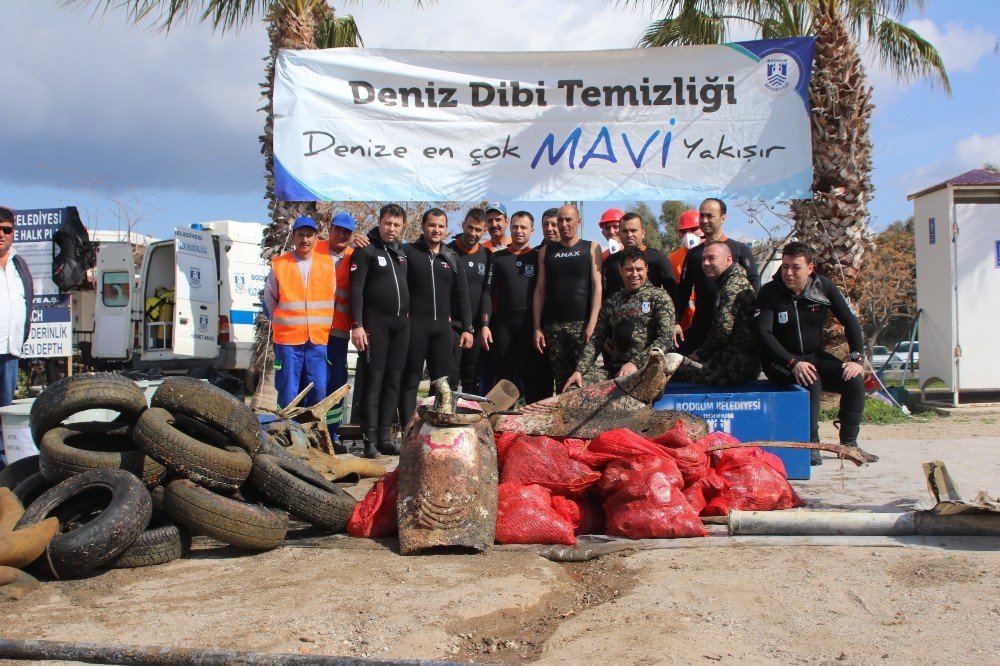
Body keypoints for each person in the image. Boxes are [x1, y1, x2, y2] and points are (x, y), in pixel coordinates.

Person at [755, 241, 866, 464]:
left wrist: (856, 358)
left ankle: (849, 445)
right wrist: (792, 362)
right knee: (810, 380)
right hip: (780, 361)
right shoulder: (770, 292)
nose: (788, 273)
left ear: (810, 268)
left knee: (854, 381)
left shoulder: (823, 287)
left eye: (795, 267)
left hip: (814, 356)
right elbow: (763, 333)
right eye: (785, 266)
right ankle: (810, 445)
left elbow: (850, 321)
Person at [399, 208, 474, 427]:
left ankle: (439, 429)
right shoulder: (408, 252)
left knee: (444, 384)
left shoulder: (451, 256)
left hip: (442, 330)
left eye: (441, 226)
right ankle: (407, 430)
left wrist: (468, 328)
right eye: (432, 225)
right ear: (423, 226)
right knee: (410, 381)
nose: (436, 230)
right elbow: (383, 243)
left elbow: (462, 295)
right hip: (415, 328)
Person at [564, 248, 675, 389]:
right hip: (616, 369)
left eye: (639, 269)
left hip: (647, 369)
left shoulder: (659, 297)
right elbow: (596, 340)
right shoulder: (612, 302)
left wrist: (635, 363)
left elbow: (665, 338)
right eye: (629, 269)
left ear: (647, 269)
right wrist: (579, 370)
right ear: (620, 270)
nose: (634, 274)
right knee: (574, 388)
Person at [350, 204, 410, 458]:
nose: (391, 229)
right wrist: (357, 325)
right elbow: (356, 289)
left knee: (393, 381)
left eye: (396, 225)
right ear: (380, 221)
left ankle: (385, 437)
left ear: (402, 227)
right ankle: (369, 440)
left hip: (401, 326)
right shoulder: (366, 249)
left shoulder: (401, 253)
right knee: (373, 382)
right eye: (387, 223)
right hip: (375, 324)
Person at [263, 216, 334, 409]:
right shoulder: (279, 264)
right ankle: (285, 434)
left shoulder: (327, 264)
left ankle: (314, 433)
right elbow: (269, 300)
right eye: (300, 235)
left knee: (318, 389)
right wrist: (283, 322)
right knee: (288, 390)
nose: (305, 240)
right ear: (293, 237)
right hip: (287, 341)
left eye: (309, 235)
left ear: (316, 238)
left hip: (317, 341)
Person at [674, 198, 759, 353]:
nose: (704, 220)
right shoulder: (693, 255)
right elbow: (683, 291)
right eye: (701, 216)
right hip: (701, 330)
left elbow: (755, 285)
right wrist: (675, 321)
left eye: (710, 216)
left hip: (734, 333)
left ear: (723, 218)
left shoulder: (739, 250)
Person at [532, 203, 602, 391]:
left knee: (587, 381)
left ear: (578, 221)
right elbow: (540, 290)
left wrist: (592, 323)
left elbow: (597, 287)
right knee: (562, 383)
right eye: (560, 220)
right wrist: (537, 327)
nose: (563, 224)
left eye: (568, 220)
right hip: (554, 327)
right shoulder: (546, 252)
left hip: (583, 325)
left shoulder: (592, 248)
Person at [480, 211, 549, 402]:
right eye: (516, 227)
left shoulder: (538, 257)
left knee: (533, 375)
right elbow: (487, 292)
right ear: (510, 228)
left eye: (524, 227)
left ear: (532, 231)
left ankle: (533, 422)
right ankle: (500, 420)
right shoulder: (498, 258)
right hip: (504, 326)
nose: (519, 231)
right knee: (503, 376)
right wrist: (485, 324)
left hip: (531, 326)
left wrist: (540, 326)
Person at [671, 242, 759, 386]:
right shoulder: (728, 282)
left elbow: (723, 330)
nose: (706, 263)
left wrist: (699, 355)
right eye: (703, 259)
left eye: (712, 258)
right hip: (729, 360)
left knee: (673, 371)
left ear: (728, 260)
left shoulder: (733, 286)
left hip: (736, 367)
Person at [316, 212, 357, 449]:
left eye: (347, 232)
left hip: (338, 332)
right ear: (330, 229)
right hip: (311, 331)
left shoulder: (355, 256)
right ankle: (309, 434)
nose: (341, 235)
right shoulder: (314, 249)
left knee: (336, 384)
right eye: (338, 229)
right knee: (313, 383)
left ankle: (331, 436)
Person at [448, 208, 492, 394]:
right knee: (448, 377)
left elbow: (486, 293)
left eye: (478, 230)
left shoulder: (487, 255)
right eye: (470, 228)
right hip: (451, 325)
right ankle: (438, 418)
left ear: (484, 231)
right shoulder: (448, 250)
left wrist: (485, 324)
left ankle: (470, 420)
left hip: (474, 326)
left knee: (471, 378)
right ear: (463, 225)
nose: (473, 233)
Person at [0, 206, 34, 426]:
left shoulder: (19, 264)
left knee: (5, 411)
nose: (1, 234)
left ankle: (4, 459)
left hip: (10, 351)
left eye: (6, 229)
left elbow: (27, 301)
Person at [603, 212, 675, 300]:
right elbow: (605, 295)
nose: (629, 235)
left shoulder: (658, 258)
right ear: (619, 234)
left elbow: (673, 294)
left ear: (643, 233)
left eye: (633, 230)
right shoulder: (610, 261)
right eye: (625, 231)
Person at [668, 209, 703, 332]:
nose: (688, 235)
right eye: (683, 231)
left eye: (694, 229)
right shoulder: (672, 258)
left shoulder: (716, 253)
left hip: (708, 320)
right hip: (683, 324)